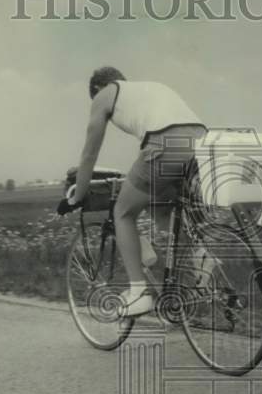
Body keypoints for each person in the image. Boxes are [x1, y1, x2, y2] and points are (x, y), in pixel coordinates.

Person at [64, 67, 206, 317]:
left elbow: (89, 152)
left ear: (98, 88)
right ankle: (196, 266)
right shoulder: (148, 88)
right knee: (160, 208)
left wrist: (77, 196)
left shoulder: (103, 94)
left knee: (122, 212)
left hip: (165, 143)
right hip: (201, 140)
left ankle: (139, 292)